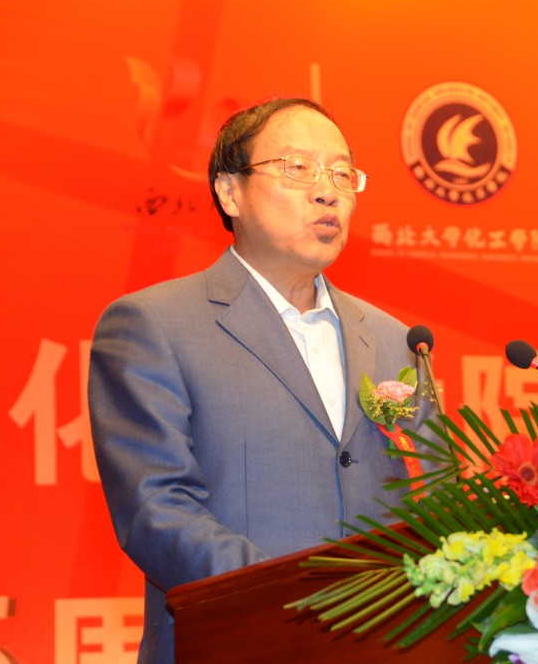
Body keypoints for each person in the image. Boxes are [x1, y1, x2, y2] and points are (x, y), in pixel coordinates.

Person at [89, 97, 433, 663]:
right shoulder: (155, 325)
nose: (327, 192)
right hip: (234, 643)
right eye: (297, 168)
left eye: (342, 174)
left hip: (385, 646)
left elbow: (436, 500)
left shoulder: (397, 341)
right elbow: (158, 511)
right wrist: (298, 605)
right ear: (230, 193)